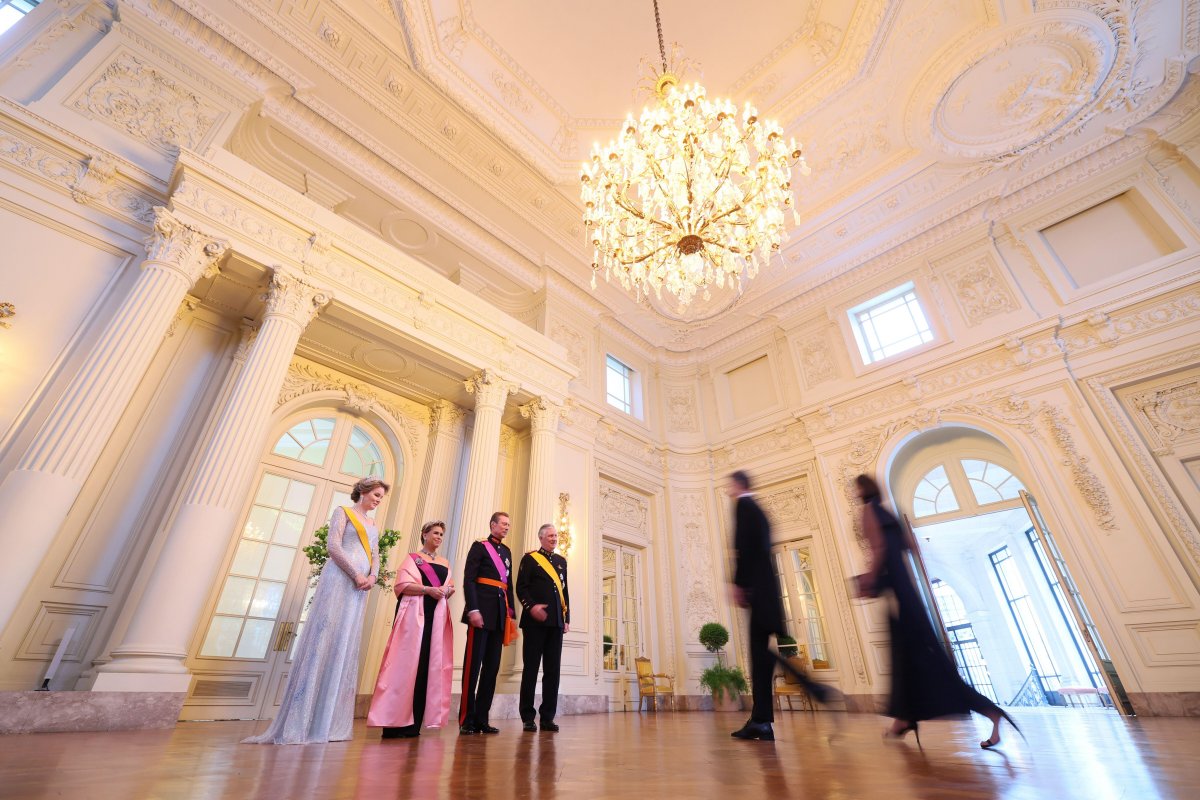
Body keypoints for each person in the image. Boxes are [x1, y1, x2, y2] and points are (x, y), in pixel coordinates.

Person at [854, 473, 1018, 749]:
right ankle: (905, 718)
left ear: (860, 491)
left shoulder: (869, 512)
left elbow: (879, 547)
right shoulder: (888, 514)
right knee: (910, 662)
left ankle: (989, 712)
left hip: (898, 598)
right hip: (908, 594)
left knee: (925, 665)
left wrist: (870, 576)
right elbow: (912, 546)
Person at [243, 476, 387, 745]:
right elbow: (333, 546)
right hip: (340, 579)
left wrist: (373, 576)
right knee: (325, 637)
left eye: (381, 497)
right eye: (376, 495)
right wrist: (356, 574)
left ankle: (328, 722)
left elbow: (376, 554)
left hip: (360, 588)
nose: (379, 500)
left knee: (344, 641)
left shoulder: (373, 523)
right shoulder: (343, 512)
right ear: (363, 492)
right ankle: (302, 719)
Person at [728, 469, 830, 741]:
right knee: (761, 659)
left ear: (739, 485)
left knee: (761, 657)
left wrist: (738, 583)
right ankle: (761, 721)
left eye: (731, 486)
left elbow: (743, 548)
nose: (729, 491)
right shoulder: (758, 510)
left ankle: (811, 689)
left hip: (759, 593)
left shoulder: (745, 507)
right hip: (767, 593)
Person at [367, 520, 456, 738]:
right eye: (435, 533)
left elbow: (449, 585)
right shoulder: (412, 559)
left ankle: (414, 724)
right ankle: (395, 723)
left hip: (434, 616)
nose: (439, 537)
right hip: (414, 616)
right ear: (424, 534)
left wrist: (447, 590)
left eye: (442, 534)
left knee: (426, 666)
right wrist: (429, 589)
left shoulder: (444, 562)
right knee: (405, 666)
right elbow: (402, 586)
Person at [458, 511, 516, 735]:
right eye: (503, 523)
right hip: (480, 613)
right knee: (473, 668)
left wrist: (510, 614)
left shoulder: (508, 552)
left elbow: (508, 585)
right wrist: (473, 609)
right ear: (492, 524)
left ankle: (482, 718)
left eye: (508, 525)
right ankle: (466, 719)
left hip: (499, 616)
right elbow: (469, 580)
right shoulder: (479, 547)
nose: (506, 527)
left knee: (491, 669)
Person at [516, 523, 570, 733]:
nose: (554, 538)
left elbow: (565, 592)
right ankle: (527, 717)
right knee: (530, 670)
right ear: (541, 538)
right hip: (534, 623)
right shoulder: (530, 559)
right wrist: (531, 608)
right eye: (550, 536)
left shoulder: (561, 562)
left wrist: (567, 617)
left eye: (556, 535)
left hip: (556, 622)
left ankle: (548, 717)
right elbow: (521, 587)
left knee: (552, 671)